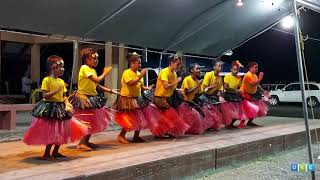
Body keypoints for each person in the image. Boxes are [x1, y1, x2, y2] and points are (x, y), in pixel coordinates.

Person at [23, 55, 88, 160]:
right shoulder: (47, 80)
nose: (63, 69)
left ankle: (56, 152)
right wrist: (56, 91)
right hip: (50, 108)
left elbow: (64, 96)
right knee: (52, 132)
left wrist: (67, 103)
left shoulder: (61, 82)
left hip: (60, 107)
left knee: (61, 131)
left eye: (63, 67)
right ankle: (46, 154)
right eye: (61, 67)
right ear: (53, 67)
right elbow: (44, 95)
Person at [69, 48, 118, 151]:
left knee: (93, 121)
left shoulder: (93, 70)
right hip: (84, 99)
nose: (96, 60)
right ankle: (82, 143)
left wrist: (110, 90)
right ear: (87, 60)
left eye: (97, 58)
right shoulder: (84, 68)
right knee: (88, 121)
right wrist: (105, 73)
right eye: (94, 58)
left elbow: (96, 85)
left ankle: (86, 141)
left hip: (92, 98)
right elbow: (97, 79)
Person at [113, 52, 160, 143]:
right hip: (127, 99)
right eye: (138, 63)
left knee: (140, 118)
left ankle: (136, 136)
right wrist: (140, 76)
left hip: (137, 98)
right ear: (132, 63)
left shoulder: (138, 73)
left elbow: (140, 86)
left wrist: (147, 88)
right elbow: (131, 83)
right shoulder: (126, 72)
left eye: (140, 63)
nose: (140, 65)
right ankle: (121, 135)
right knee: (130, 119)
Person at [151, 55, 189, 137]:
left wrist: (180, 90)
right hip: (160, 98)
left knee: (166, 117)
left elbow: (172, 88)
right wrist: (177, 81)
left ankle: (164, 132)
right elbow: (166, 86)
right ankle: (160, 132)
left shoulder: (174, 74)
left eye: (180, 64)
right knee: (167, 116)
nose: (179, 66)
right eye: (177, 64)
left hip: (168, 98)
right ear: (171, 63)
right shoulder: (164, 72)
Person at [240, 62, 269, 127]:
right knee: (247, 109)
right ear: (250, 68)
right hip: (245, 94)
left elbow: (257, 85)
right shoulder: (248, 75)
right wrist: (260, 78)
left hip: (252, 94)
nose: (257, 68)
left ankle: (250, 122)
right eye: (255, 67)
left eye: (257, 67)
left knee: (257, 107)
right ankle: (235, 124)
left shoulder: (255, 75)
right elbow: (253, 83)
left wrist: (263, 91)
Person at [220, 61, 247, 128]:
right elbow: (226, 87)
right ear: (231, 69)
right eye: (234, 69)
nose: (235, 71)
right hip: (228, 95)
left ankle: (231, 124)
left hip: (235, 95)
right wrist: (235, 90)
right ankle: (228, 124)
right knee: (230, 112)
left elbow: (240, 86)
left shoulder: (239, 77)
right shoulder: (227, 76)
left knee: (239, 111)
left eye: (237, 70)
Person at [200, 60, 224, 130]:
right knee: (207, 112)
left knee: (217, 110)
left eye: (221, 66)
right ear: (214, 67)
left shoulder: (220, 77)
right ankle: (206, 125)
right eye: (219, 66)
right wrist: (213, 86)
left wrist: (220, 94)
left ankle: (211, 125)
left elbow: (220, 88)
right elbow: (205, 89)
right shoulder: (208, 74)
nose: (221, 67)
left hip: (212, 96)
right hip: (204, 96)